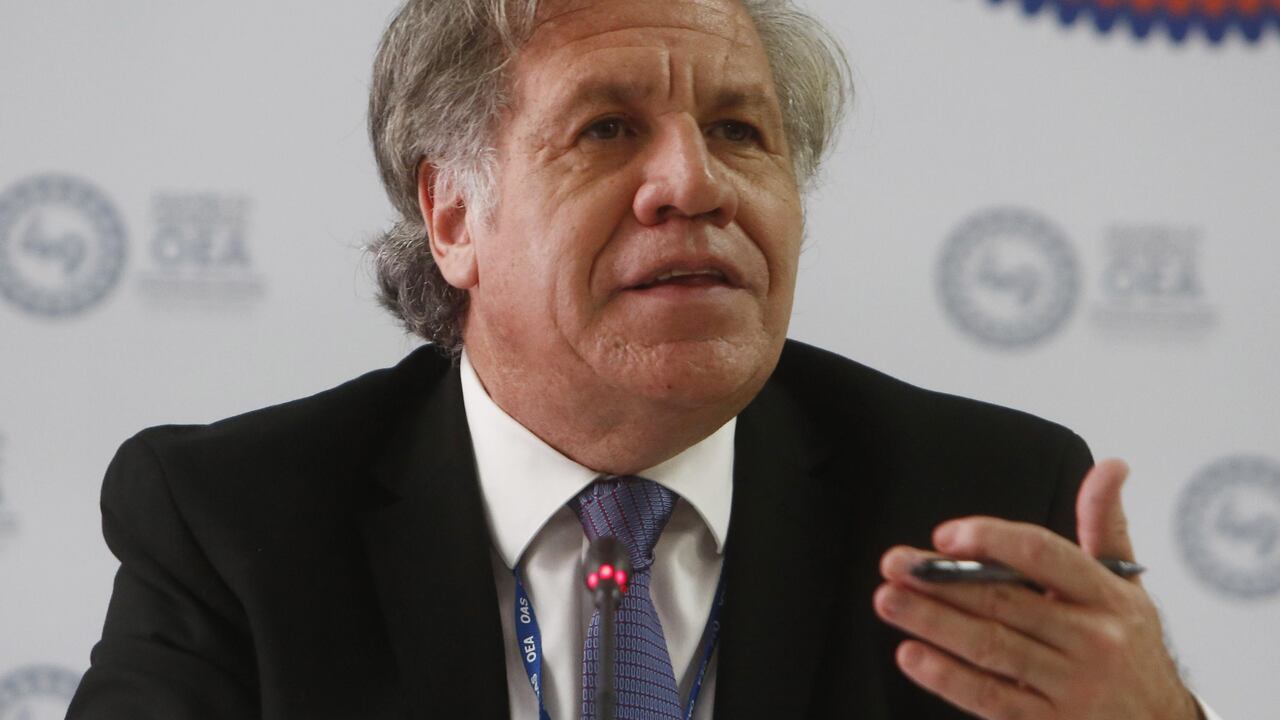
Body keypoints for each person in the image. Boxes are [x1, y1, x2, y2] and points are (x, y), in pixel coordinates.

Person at [69, 1, 1216, 718]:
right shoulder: (237, 521)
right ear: (454, 215)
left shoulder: (974, 498)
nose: (694, 184)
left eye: (739, 132)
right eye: (607, 129)